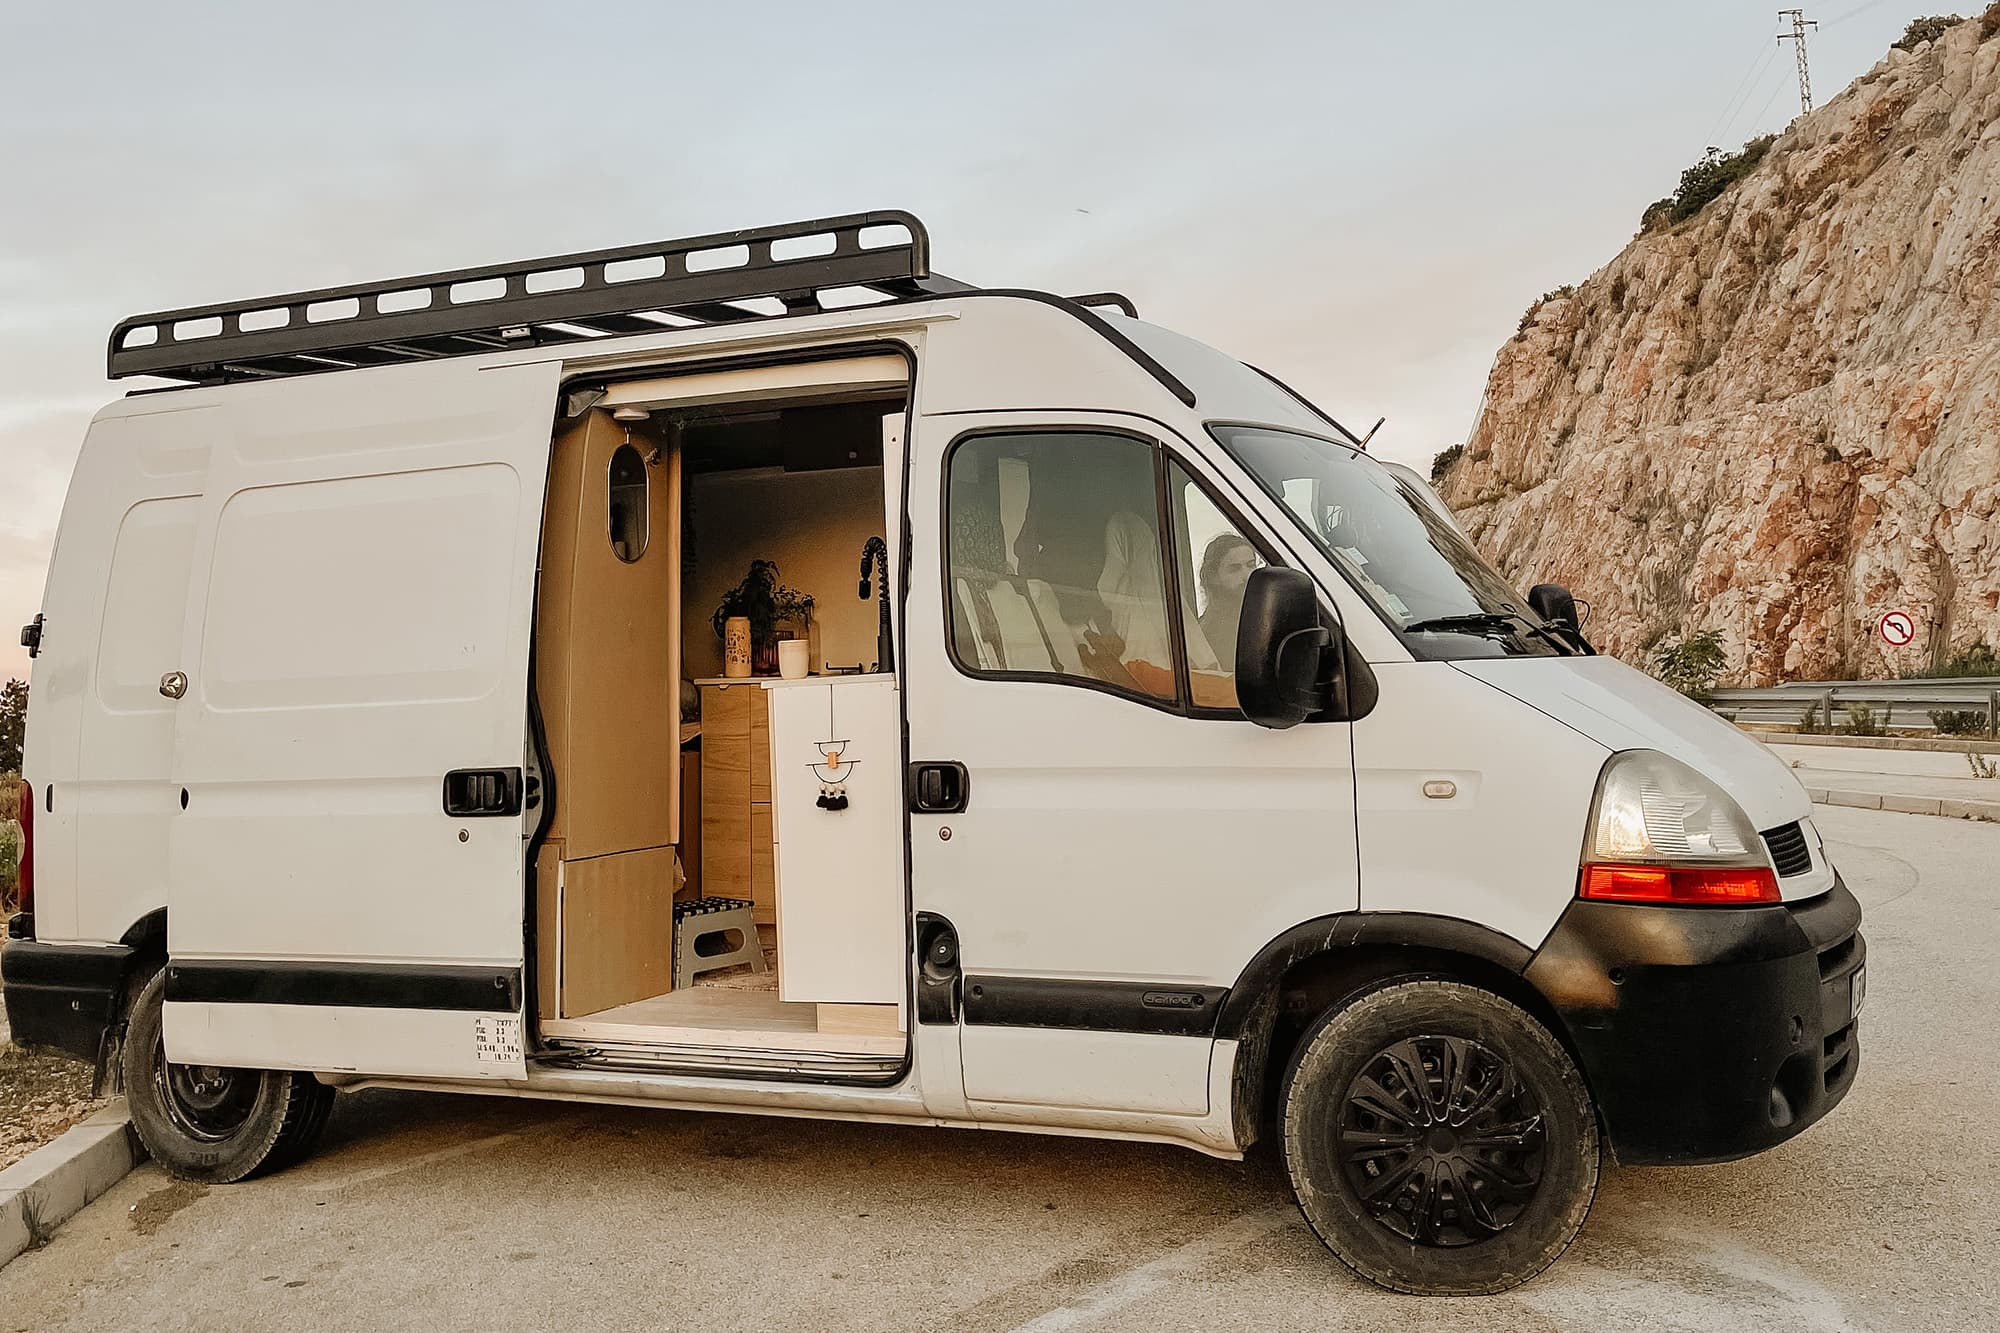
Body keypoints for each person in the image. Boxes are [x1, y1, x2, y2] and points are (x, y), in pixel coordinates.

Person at [1198, 533, 1258, 669]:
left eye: (1251, 565)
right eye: (1234, 569)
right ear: (1214, 577)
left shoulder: (1261, 618)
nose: (1247, 576)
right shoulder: (1208, 631)